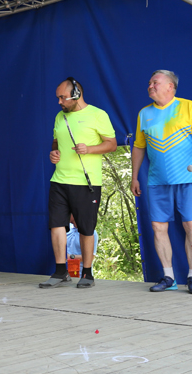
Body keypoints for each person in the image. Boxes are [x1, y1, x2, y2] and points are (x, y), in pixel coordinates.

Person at [131, 70, 192, 295]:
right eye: (149, 82)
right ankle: (168, 277)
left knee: (191, 226)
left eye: (155, 82)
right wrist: (134, 177)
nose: (150, 85)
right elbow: (139, 147)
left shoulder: (188, 106)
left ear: (170, 86)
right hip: (157, 181)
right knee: (158, 227)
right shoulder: (144, 113)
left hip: (189, 179)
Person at [39, 77, 116, 290]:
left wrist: (89, 149)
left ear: (76, 94)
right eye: (58, 98)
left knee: (85, 227)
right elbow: (56, 142)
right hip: (59, 179)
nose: (59, 102)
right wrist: (54, 153)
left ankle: (87, 273)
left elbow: (111, 145)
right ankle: (60, 271)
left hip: (86, 182)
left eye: (63, 97)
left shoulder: (98, 115)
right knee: (56, 225)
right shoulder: (59, 117)